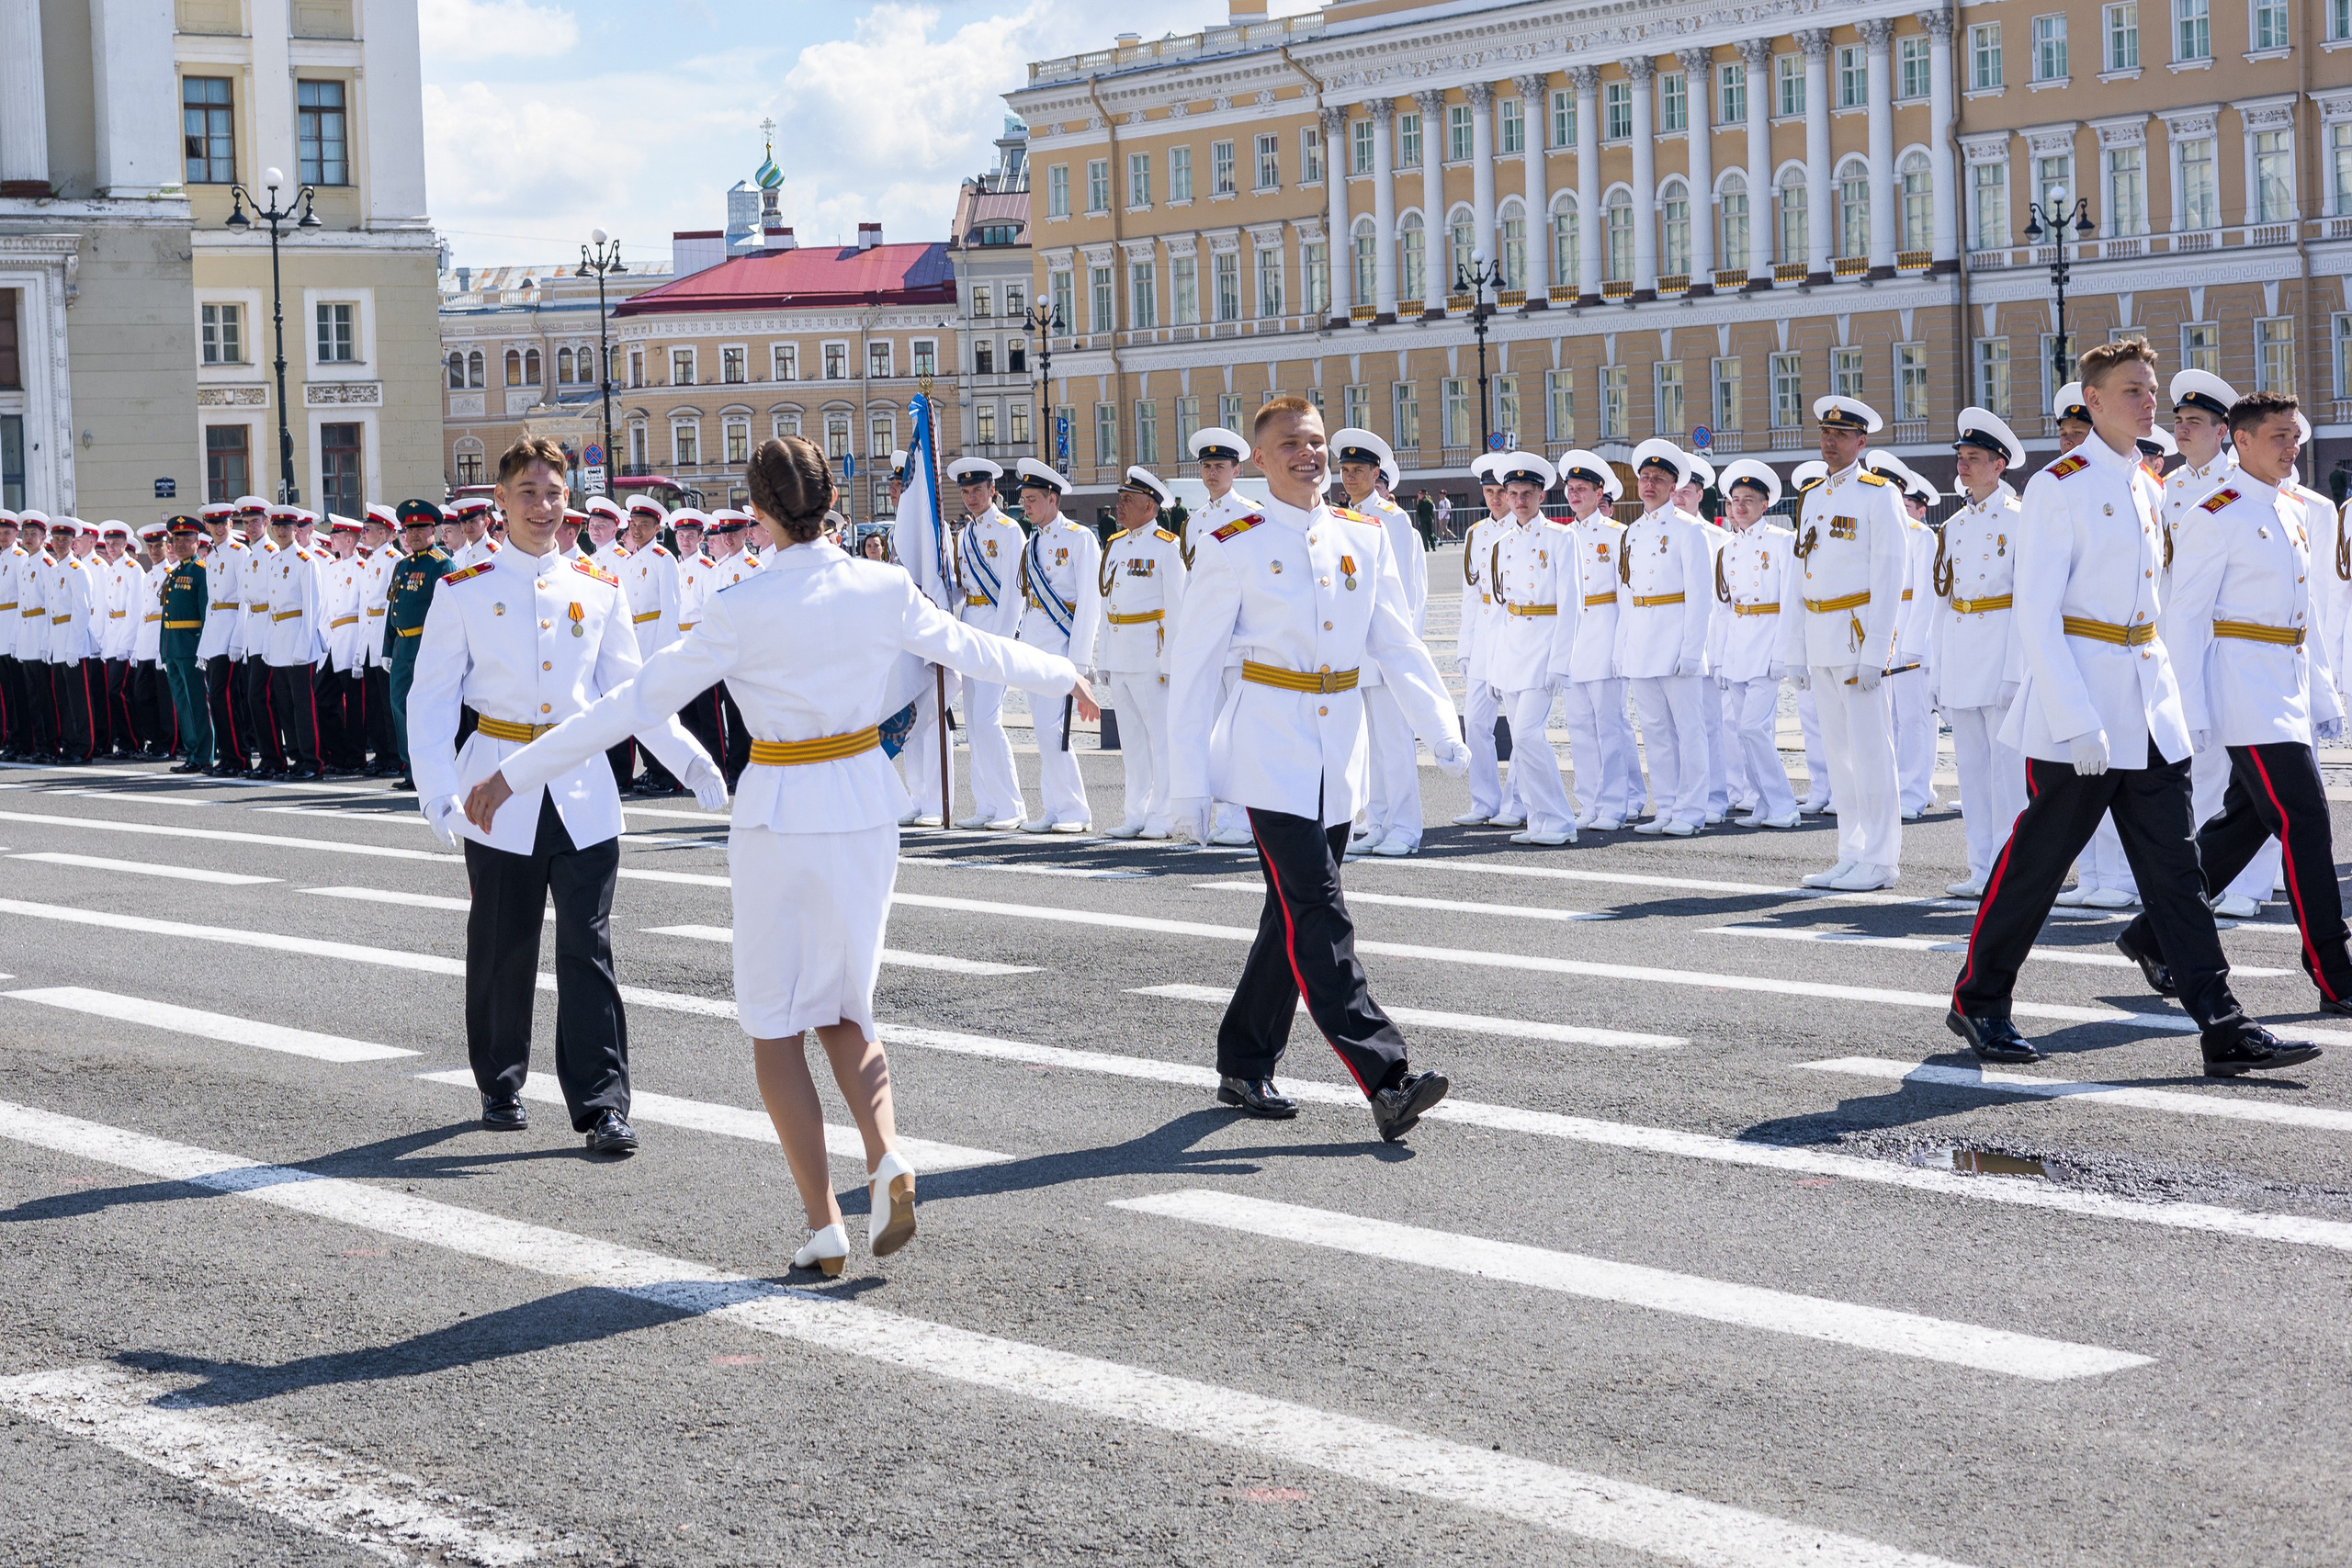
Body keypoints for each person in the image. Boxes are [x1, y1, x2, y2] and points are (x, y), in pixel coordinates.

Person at [465, 435, 1098, 1271]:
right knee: (846, 1008)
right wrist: (1068, 675)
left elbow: (631, 701)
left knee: (774, 1024)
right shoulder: (881, 585)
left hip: (780, 811)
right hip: (866, 806)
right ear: (832, 501)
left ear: (757, 514)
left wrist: (516, 770)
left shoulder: (741, 602)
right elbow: (973, 649)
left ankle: (824, 1222)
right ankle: (886, 1154)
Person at [1948, 341, 2319, 1077]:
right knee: (2037, 866)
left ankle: (2221, 1020)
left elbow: (2153, 610)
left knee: (2176, 871)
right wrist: (2074, 716)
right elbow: (2037, 612)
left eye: (2150, 389)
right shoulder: (2061, 485)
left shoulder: (2151, 486)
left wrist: (2173, 704)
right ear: (2092, 400)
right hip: (2081, 709)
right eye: (2132, 390)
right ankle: (1980, 998)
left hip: (2147, 706)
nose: (2149, 402)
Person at [1165, 395, 1471, 1141]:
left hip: (1339, 749)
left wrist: (1442, 727)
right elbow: (1196, 665)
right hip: (1270, 747)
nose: (1309, 454)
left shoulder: (1361, 537)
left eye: (1317, 441)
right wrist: (1187, 784)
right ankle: (1387, 1076)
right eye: (1291, 444)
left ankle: (1243, 1057)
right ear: (1259, 460)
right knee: (1320, 911)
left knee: (1291, 916)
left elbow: (1396, 641)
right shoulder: (1232, 539)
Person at [411, 437, 727, 1156]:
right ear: (500, 501)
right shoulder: (464, 586)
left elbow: (633, 693)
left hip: (582, 785)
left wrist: (686, 757)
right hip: (495, 781)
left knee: (589, 943)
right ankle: (499, 1079)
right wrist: (436, 793)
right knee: (502, 940)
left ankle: (601, 1103)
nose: (543, 506)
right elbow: (429, 700)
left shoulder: (597, 584)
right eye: (527, 492)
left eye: (554, 492)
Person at [2113, 390, 2351, 1015]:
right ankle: (2334, 966)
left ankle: (2150, 935)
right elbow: (2185, 620)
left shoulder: (2291, 510)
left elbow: (2306, 620)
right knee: (2304, 821)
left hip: (2285, 687)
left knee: (2248, 821)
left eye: (2294, 435)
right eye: (2278, 436)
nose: (2291, 446)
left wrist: (2324, 693)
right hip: (2244, 691)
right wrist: (2184, 710)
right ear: (2240, 441)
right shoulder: (2215, 514)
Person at [1781, 398, 1907, 891]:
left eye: (1842, 434)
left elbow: (1890, 575)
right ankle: (1850, 851)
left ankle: (1880, 858)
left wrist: (1878, 650)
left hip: (1856, 637)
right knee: (1839, 754)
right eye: (1825, 433)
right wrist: (1794, 649)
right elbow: (1800, 576)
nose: (1830, 441)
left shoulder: (1879, 495)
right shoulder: (1812, 496)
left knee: (1872, 752)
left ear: (1862, 442)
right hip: (1820, 634)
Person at [1931, 408, 2030, 897]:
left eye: (1974, 458)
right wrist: (1938, 669)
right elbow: (1943, 603)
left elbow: (2027, 604)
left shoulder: (2021, 520)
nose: (1964, 466)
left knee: (2008, 774)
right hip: (1964, 653)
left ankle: (2012, 866)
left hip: (2001, 652)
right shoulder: (1952, 526)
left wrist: (2016, 671)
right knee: (1971, 768)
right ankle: (1979, 866)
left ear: (2000, 464)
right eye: (1962, 457)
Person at [1329, 429, 1430, 856]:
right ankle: (1380, 818)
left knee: (1394, 741)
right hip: (1354, 650)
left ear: (1376, 473)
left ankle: (1407, 825)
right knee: (1366, 744)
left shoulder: (1392, 520)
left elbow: (1408, 591)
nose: (1350, 478)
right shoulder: (1340, 518)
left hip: (1385, 648)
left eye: (1359, 471)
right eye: (1345, 470)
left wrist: (1401, 650)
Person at [1617, 440, 1716, 837]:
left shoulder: (1689, 530)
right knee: (1655, 730)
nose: (1649, 484)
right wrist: (1623, 647)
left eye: (1658, 478)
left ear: (1674, 485)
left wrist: (1693, 651)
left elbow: (1700, 596)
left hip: (1675, 641)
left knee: (1690, 730)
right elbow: (1626, 595)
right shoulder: (1633, 532)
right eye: (1644, 477)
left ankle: (1692, 810)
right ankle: (1667, 806)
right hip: (1642, 642)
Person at [1708, 459, 1802, 828]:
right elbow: (1723, 610)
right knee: (1741, 731)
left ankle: (1784, 805)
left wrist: (1784, 653)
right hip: (1737, 648)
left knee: (1753, 729)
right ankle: (1764, 803)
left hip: (1767, 646)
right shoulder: (1727, 550)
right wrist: (1717, 659)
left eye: (1749, 499)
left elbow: (1791, 601)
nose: (1740, 507)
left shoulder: (1782, 542)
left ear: (1766, 505)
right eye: (1734, 500)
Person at [1182, 425, 1263, 846]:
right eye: (1207, 466)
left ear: (1237, 468)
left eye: (1220, 465)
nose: (1212, 473)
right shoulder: (1195, 521)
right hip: (1208, 641)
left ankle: (1248, 815)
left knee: (1242, 731)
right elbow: (1193, 585)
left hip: (1241, 640)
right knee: (1213, 729)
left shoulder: (1252, 515)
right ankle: (1227, 813)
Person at [1011, 457, 1101, 833]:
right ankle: (1054, 807)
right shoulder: (1032, 542)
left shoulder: (1079, 539)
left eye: (1032, 499)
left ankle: (1075, 811)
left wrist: (1079, 662)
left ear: (1053, 499)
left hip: (1061, 650)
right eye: (1025, 500)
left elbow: (1090, 605)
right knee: (1044, 732)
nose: (1026, 506)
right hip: (1034, 647)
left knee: (1056, 731)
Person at [1550, 453, 1635, 829]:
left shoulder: (1617, 535)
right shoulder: (1563, 535)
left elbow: (1626, 599)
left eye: (1582, 489)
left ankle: (1616, 803)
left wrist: (1621, 647)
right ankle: (1589, 801)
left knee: (1610, 725)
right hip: (1574, 643)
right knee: (1580, 728)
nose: (1574, 495)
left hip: (1605, 635)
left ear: (1599, 492)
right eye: (1570, 489)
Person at [946, 456, 1030, 830]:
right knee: (975, 724)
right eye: (965, 491)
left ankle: (1012, 804)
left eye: (977, 490)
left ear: (993, 490)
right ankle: (987, 803)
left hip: (995, 631)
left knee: (988, 719)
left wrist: (1001, 640)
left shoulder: (1009, 530)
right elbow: (963, 588)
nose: (971, 497)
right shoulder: (965, 534)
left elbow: (1014, 593)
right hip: (970, 628)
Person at [1455, 453, 1529, 829]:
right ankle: (1485, 799)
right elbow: (1471, 595)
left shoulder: (1524, 532)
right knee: (1477, 725)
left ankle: (1516, 802)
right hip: (1484, 635)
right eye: (1489, 491)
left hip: (1514, 632)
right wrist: (1464, 648)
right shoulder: (1476, 533)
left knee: (1519, 725)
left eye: (1502, 491)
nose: (1497, 499)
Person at [382, 501, 451, 792]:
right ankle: (411, 770)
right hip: (402, 647)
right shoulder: (402, 565)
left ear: (432, 529)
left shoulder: (441, 564)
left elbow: (447, 610)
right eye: (409, 529)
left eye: (420, 528)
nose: (414, 535)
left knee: (426, 711)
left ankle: (431, 771)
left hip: (426, 645)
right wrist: (388, 647)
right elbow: (393, 608)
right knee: (400, 707)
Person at [156, 516, 212, 773]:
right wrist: (162, 649)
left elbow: (204, 614)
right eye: (176, 539)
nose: (180, 544)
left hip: (191, 647)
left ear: (197, 542)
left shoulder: (200, 571)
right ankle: (192, 753)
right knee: (182, 702)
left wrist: (203, 649)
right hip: (173, 647)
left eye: (186, 540)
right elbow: (165, 616)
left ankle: (203, 754)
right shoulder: (175, 572)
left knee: (197, 703)